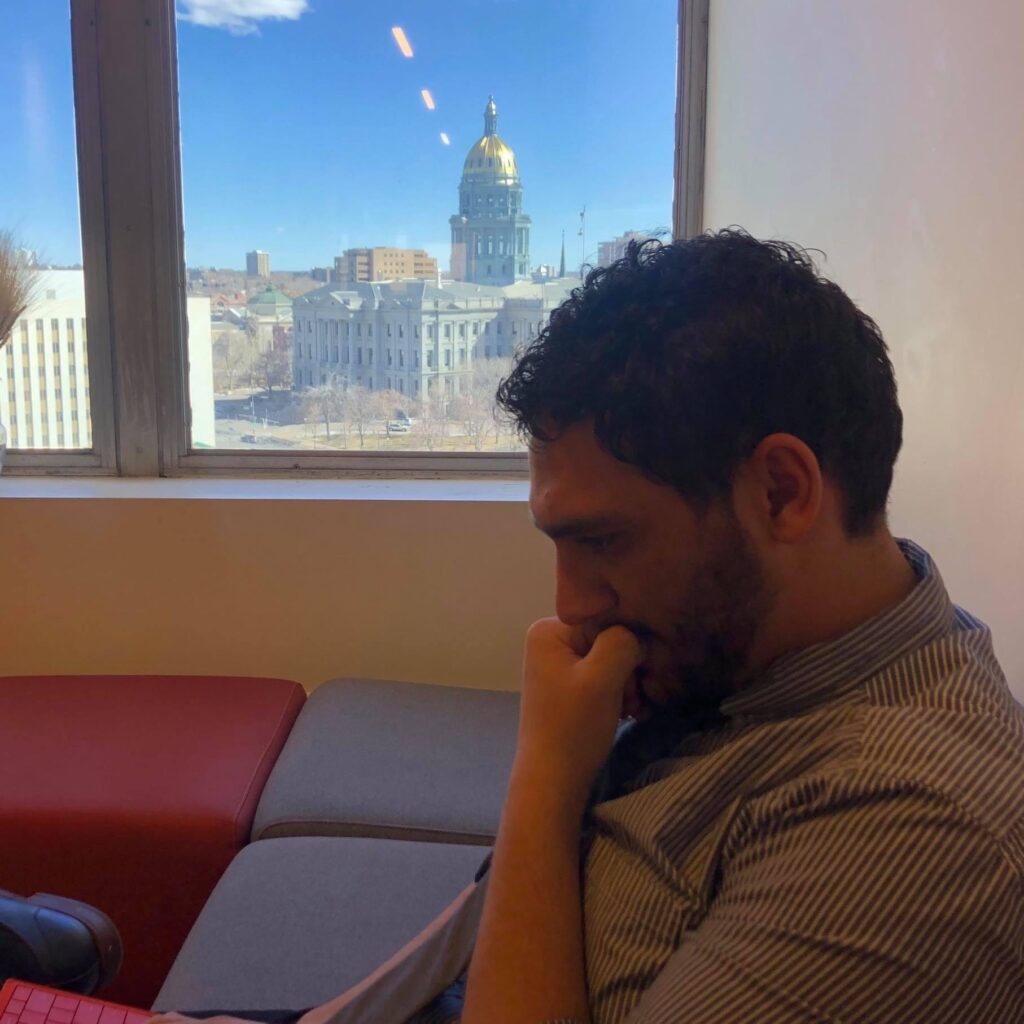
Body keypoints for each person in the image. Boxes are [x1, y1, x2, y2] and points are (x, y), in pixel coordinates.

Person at [159, 231, 1024, 1024]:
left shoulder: (908, 834)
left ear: (783, 494)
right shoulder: (752, 658)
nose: (569, 608)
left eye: (605, 540)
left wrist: (546, 772)